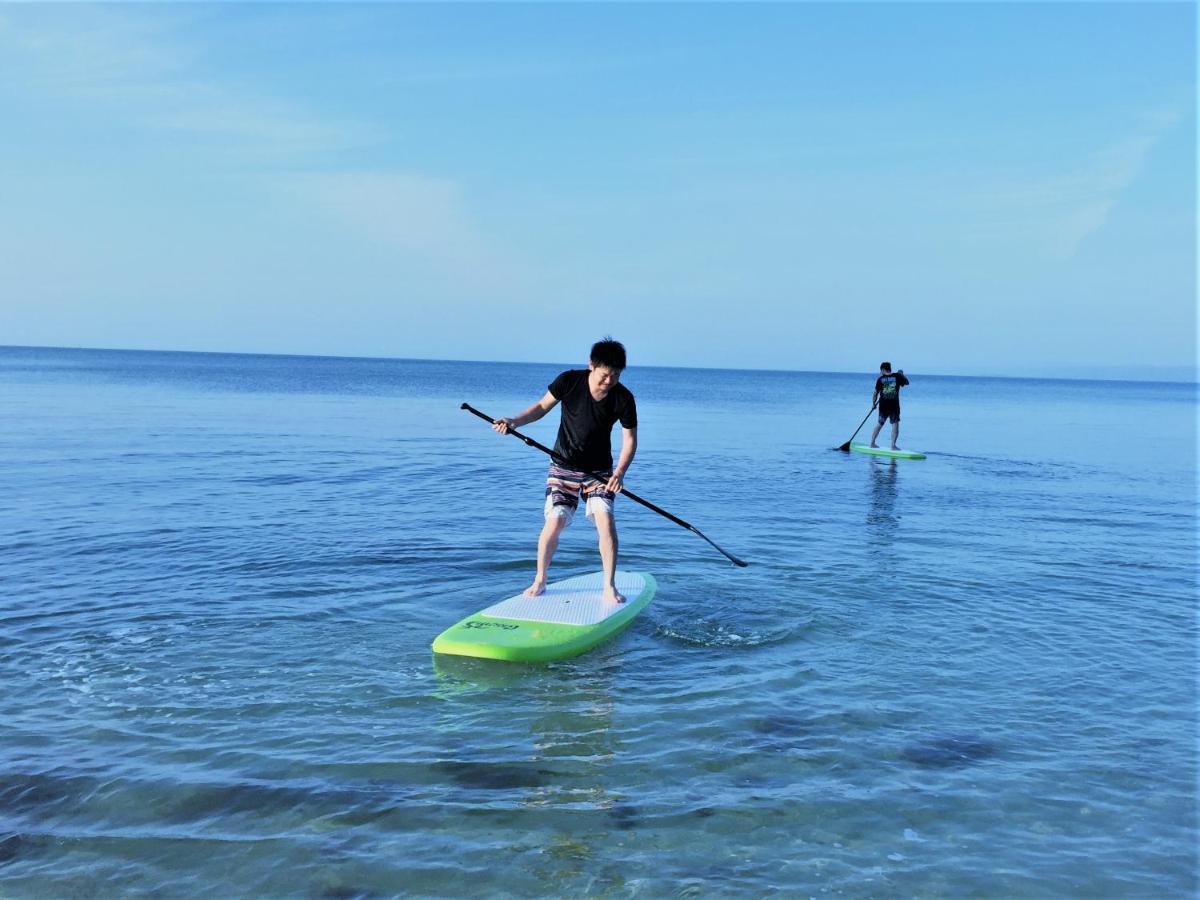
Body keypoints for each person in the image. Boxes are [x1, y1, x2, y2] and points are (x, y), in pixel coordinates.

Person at [493, 338, 638, 605]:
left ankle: (609, 586)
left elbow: (630, 440)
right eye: (605, 375)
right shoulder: (569, 381)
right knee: (556, 521)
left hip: (599, 473)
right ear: (591, 366)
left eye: (616, 375)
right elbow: (540, 408)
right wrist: (514, 421)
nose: (609, 381)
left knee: (605, 521)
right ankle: (540, 579)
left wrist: (619, 473)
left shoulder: (623, 398)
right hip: (563, 466)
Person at [869, 361, 910, 451]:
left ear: (883, 369)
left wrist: (873, 404)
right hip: (894, 406)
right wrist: (902, 374)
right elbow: (907, 382)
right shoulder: (897, 376)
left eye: (881, 371)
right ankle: (893, 445)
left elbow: (875, 393)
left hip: (883, 406)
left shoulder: (880, 379)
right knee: (895, 424)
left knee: (879, 424)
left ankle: (872, 443)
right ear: (890, 368)